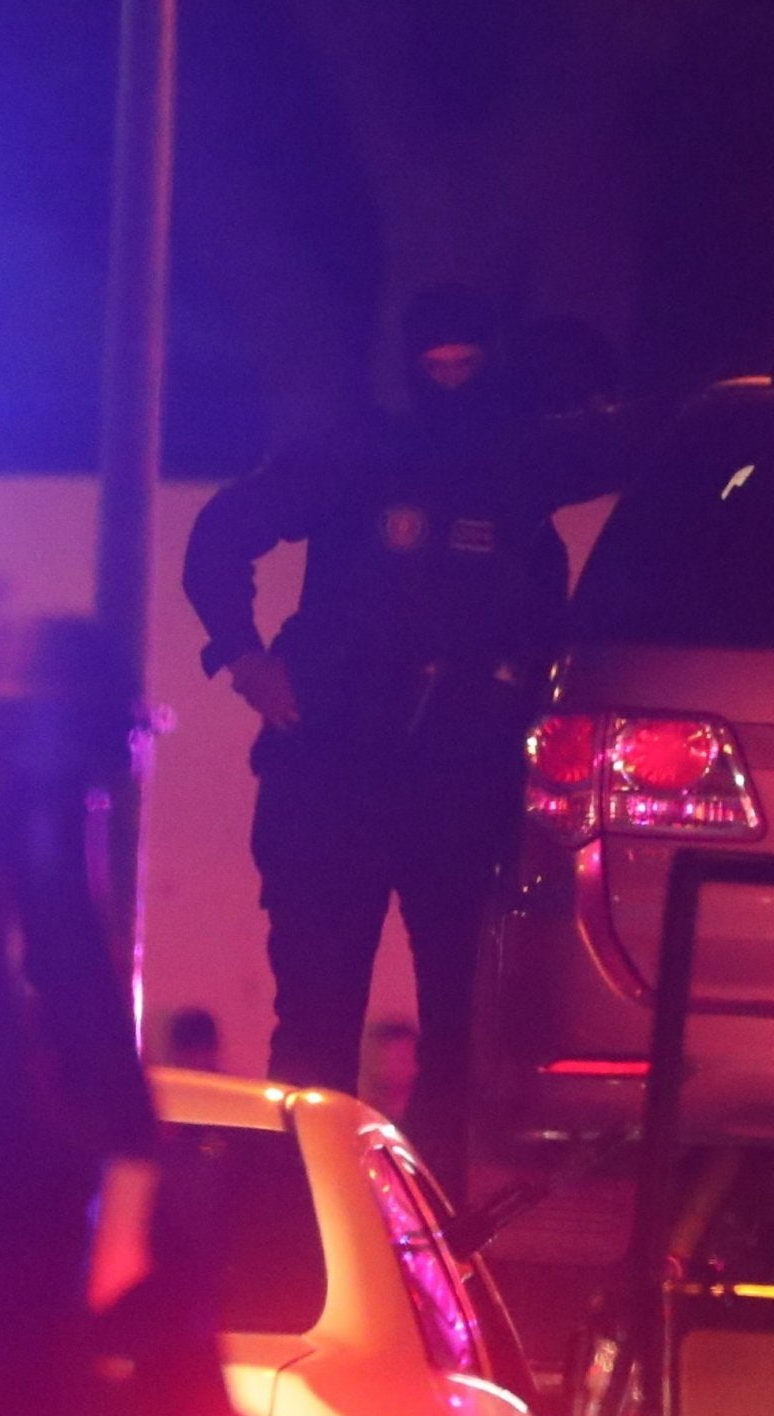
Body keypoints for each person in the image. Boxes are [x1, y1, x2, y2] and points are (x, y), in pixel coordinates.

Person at [184, 284, 610, 1193]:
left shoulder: (524, 463)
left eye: (468, 364)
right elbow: (220, 534)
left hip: (460, 777)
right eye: (436, 364)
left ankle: (437, 1222)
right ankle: (294, 1215)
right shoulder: (357, 454)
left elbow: (642, 444)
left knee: (460, 1024)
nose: (451, 380)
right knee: (315, 1026)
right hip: (337, 768)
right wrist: (244, 658)